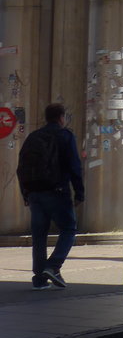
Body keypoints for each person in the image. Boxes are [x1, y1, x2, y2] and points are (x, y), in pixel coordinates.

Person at [18, 104, 84, 290]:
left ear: (46, 117)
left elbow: (21, 165)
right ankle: (53, 266)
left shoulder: (33, 137)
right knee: (69, 229)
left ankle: (39, 280)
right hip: (57, 192)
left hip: (34, 193)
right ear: (61, 117)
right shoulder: (65, 136)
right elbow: (75, 167)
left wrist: (26, 192)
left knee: (39, 235)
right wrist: (79, 193)